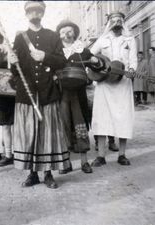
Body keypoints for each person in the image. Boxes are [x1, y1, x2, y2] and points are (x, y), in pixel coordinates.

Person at [11, 1, 70, 189]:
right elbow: (15, 70)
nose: (34, 14)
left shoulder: (52, 36)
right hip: (27, 93)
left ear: (42, 13)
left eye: (38, 11)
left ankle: (48, 174)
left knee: (48, 135)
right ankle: (32, 174)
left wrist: (44, 56)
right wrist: (11, 61)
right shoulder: (19, 37)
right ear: (26, 14)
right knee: (30, 135)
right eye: (30, 11)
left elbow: (62, 62)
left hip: (47, 92)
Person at [56, 20, 104, 174]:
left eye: (69, 31)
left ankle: (84, 162)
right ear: (59, 34)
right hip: (62, 93)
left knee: (80, 125)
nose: (66, 34)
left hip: (78, 93)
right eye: (63, 31)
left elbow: (97, 65)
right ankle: (66, 163)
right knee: (64, 126)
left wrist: (97, 61)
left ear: (74, 33)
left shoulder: (82, 50)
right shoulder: (56, 51)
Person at [90, 11, 137, 167]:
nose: (116, 23)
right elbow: (90, 55)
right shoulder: (103, 39)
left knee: (123, 118)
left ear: (123, 23)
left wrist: (132, 71)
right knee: (102, 118)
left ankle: (122, 155)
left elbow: (133, 61)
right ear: (109, 23)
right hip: (104, 84)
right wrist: (98, 68)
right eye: (113, 21)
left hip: (123, 84)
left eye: (119, 20)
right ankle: (101, 156)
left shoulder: (129, 39)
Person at [0, 27, 15, 167]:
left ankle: (20, 152)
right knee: (5, 125)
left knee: (16, 124)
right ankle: (8, 155)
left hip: (13, 90)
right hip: (2, 93)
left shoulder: (10, 50)